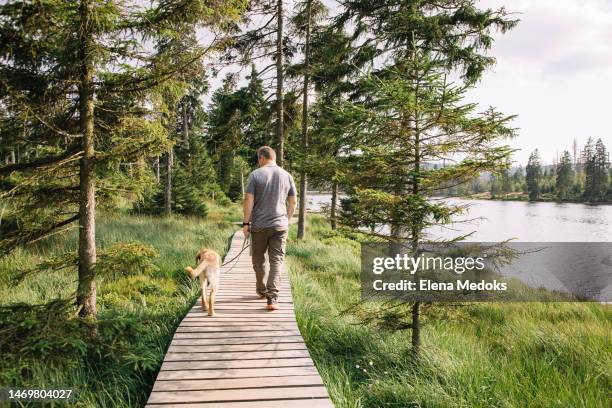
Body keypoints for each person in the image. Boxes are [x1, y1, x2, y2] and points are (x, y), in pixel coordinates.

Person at [242, 146, 297, 311]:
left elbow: (248, 200)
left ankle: (261, 290)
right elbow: (293, 202)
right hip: (280, 226)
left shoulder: (256, 174)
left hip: (259, 226)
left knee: (258, 260)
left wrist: (246, 223)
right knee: (276, 261)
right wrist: (286, 220)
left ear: (261, 158)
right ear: (273, 158)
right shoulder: (287, 175)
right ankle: (272, 299)